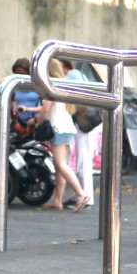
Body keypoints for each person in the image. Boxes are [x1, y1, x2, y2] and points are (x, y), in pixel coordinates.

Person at [31, 59, 88, 213]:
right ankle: (57, 200)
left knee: (61, 164)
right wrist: (31, 110)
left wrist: (37, 123)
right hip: (67, 128)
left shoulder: (50, 86)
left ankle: (80, 193)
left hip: (59, 129)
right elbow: (49, 107)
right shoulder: (62, 85)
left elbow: (45, 110)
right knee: (60, 166)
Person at [60, 58, 95, 208]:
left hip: (82, 122)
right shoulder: (79, 74)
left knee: (83, 160)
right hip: (87, 121)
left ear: (62, 65)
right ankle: (82, 194)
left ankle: (86, 196)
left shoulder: (71, 76)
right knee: (83, 159)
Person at [10, 57, 41, 124]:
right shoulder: (14, 88)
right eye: (17, 75)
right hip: (20, 126)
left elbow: (44, 107)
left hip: (35, 123)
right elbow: (12, 106)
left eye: (23, 74)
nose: (21, 78)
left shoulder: (37, 86)